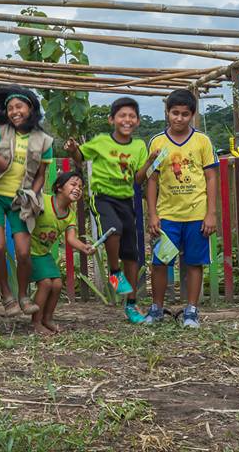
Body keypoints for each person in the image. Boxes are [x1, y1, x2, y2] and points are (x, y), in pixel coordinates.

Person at [64, 97, 158, 324]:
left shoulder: (138, 146)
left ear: (137, 121)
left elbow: (138, 178)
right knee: (112, 230)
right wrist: (74, 149)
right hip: (103, 197)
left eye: (132, 116)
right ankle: (114, 272)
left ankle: (132, 305)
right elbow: (80, 157)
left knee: (132, 253)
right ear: (112, 119)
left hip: (127, 200)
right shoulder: (101, 141)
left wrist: (149, 161)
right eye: (122, 115)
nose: (127, 120)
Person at [0, 86, 54, 317]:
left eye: (19, 106)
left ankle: (23, 295)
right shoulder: (0, 132)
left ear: (30, 107)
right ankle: (7, 295)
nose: (14, 112)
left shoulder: (44, 141)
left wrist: (32, 194)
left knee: (23, 252)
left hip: (21, 201)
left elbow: (41, 174)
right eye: (10, 108)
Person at [144, 89, 218, 328]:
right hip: (167, 215)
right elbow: (152, 179)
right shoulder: (158, 142)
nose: (179, 118)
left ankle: (191, 311)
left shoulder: (202, 141)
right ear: (167, 113)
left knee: (194, 263)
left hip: (196, 214)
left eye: (185, 114)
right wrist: (153, 214)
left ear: (193, 115)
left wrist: (211, 213)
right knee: (160, 263)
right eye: (174, 113)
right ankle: (156, 309)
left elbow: (211, 178)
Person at [29, 170, 95, 335]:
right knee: (45, 284)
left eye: (80, 186)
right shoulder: (44, 200)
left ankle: (47, 318)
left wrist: (84, 247)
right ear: (59, 187)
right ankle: (36, 322)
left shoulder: (70, 215)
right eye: (73, 184)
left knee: (57, 284)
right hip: (29, 251)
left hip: (43, 253)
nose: (77, 188)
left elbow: (71, 239)